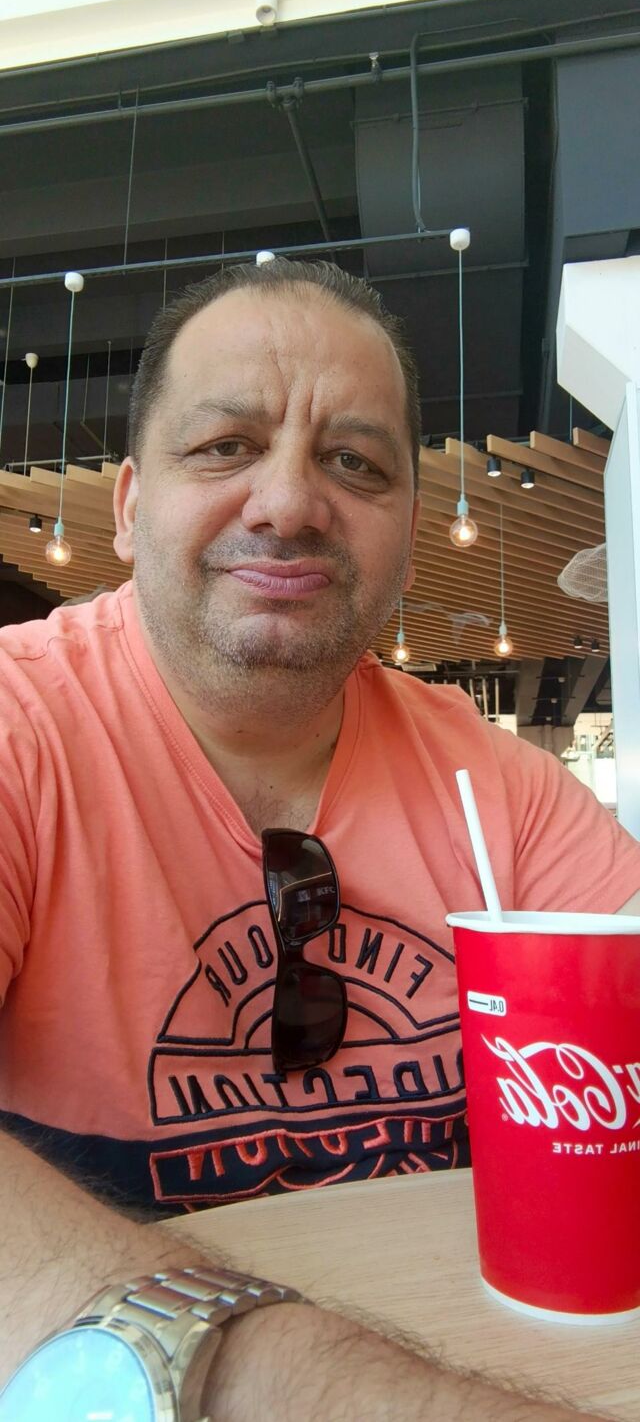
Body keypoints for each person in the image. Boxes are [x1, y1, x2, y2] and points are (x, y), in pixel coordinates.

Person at [0, 259, 637, 1415]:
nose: (289, 502)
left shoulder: (495, 783)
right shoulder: (20, 728)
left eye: (354, 462)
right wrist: (284, 1374)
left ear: (405, 533)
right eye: (225, 445)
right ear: (130, 507)